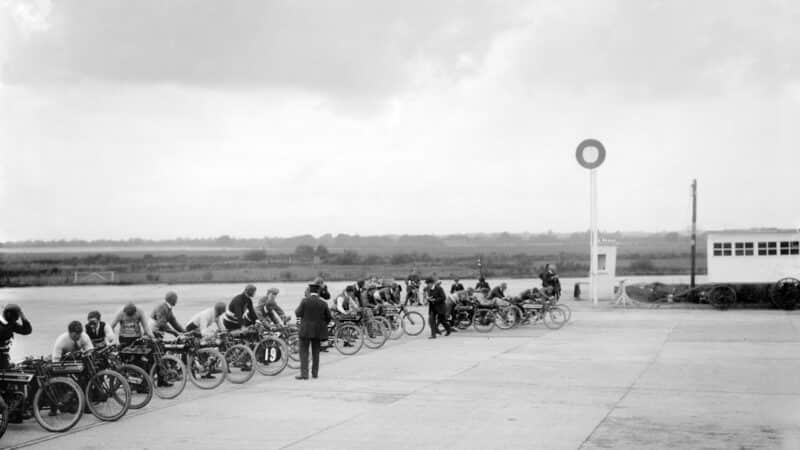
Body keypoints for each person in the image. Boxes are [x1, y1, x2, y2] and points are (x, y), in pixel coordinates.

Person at [294, 279, 332, 380]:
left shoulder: (305, 301)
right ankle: (315, 373)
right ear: (318, 291)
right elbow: (328, 317)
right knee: (316, 352)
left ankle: (304, 374)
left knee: (304, 352)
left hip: (305, 330)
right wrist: (321, 324)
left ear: (309, 291)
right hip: (318, 331)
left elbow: (298, 313)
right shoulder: (323, 303)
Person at [0, 304, 32, 370]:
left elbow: (27, 330)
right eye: (16, 316)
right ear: (9, 315)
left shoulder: (10, 324)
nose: (17, 319)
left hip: (3, 356)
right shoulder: (5, 325)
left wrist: (22, 315)